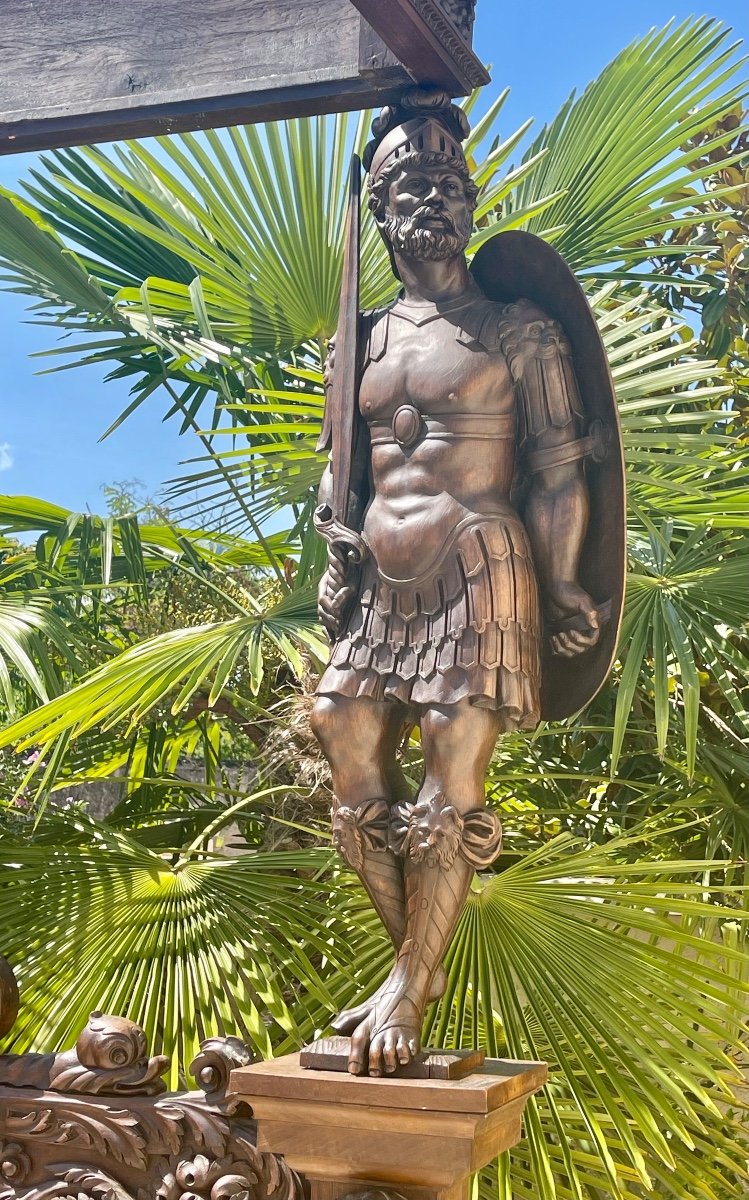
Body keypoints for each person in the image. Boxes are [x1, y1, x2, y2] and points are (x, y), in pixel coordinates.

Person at [310, 90, 604, 1078]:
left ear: (470, 204)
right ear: (382, 206)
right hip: (383, 577)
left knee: (448, 775)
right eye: (408, 184)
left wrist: (564, 582)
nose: (431, 197)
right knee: (339, 727)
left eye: (447, 182)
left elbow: (561, 466)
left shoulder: (518, 328)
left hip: (479, 559)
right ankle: (409, 963)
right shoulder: (358, 342)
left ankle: (411, 984)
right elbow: (340, 473)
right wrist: (332, 549)